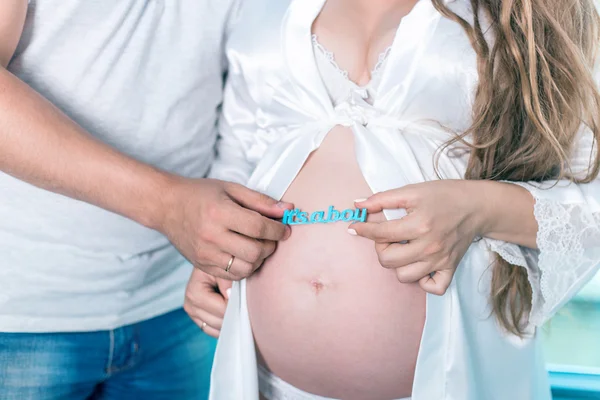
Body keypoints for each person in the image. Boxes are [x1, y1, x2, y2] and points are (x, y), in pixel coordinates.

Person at [192, 0, 600, 399]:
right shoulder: (259, 9)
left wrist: (478, 208)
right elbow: (237, 161)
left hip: (454, 373)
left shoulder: (538, 13)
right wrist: (213, 258)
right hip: (266, 382)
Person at [0, 1, 291, 399]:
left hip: (185, 302)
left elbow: (253, 86)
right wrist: (168, 205)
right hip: (21, 313)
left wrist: (223, 234)